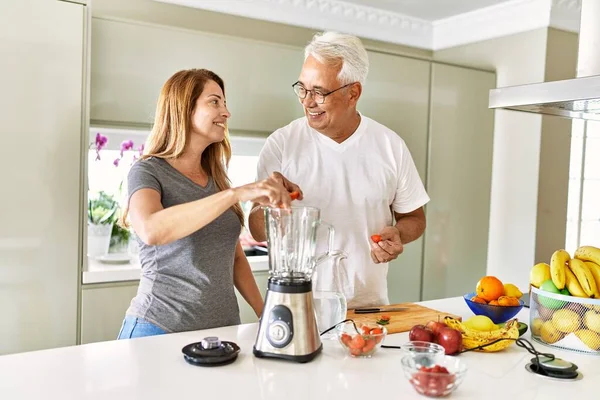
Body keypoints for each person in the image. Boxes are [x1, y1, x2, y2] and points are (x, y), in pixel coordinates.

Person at [248, 32, 430, 309]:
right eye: (302, 88)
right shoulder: (282, 144)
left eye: (319, 92)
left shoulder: (390, 145)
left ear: (353, 93)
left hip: (368, 307)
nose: (307, 101)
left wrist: (399, 234)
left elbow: (414, 218)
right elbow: (257, 230)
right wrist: (272, 205)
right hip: (296, 304)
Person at [117, 69, 300, 339]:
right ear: (183, 108)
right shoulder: (148, 171)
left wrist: (265, 312)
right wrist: (235, 194)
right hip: (158, 329)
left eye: (225, 103)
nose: (226, 112)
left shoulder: (216, 178)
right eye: (215, 102)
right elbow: (151, 230)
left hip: (221, 334)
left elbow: (234, 257)